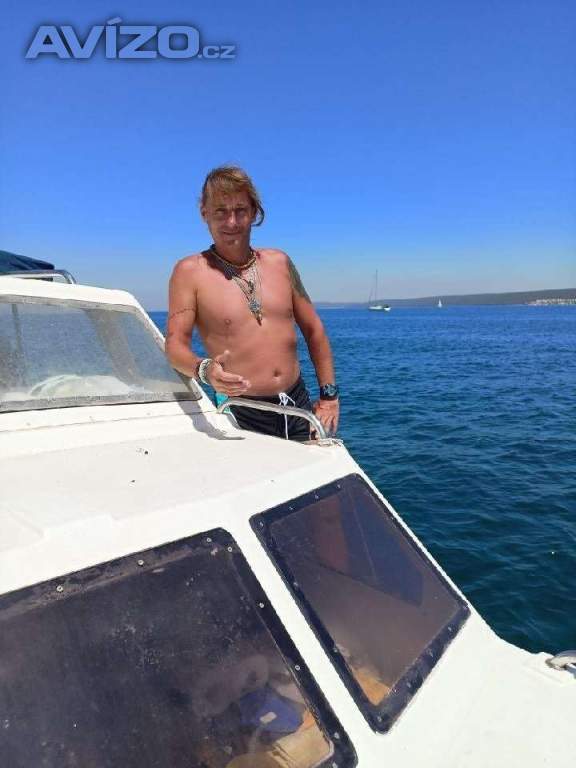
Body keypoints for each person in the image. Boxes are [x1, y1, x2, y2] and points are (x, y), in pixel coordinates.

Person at [165, 166, 339, 441]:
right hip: (240, 410)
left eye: (240, 210)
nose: (231, 222)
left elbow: (314, 330)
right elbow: (174, 346)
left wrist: (329, 397)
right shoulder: (189, 272)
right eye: (220, 211)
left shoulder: (280, 263)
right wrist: (205, 370)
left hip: (298, 404)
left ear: (254, 212)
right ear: (204, 213)